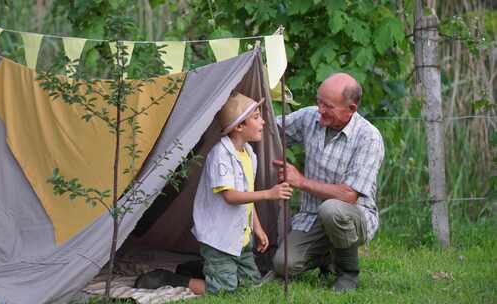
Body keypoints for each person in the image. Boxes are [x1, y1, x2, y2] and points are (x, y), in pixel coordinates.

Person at [135, 92, 293, 295]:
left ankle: (200, 269)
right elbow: (231, 196)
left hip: (240, 238)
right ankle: (172, 278)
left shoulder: (249, 155)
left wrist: (258, 228)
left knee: (250, 286)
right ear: (239, 126)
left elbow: (247, 197)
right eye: (256, 117)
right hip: (219, 238)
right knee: (225, 292)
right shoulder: (220, 155)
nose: (263, 121)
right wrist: (269, 194)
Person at [272, 73, 385, 292]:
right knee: (283, 264)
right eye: (319, 102)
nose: (320, 110)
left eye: (329, 106)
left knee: (332, 209)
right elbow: (270, 132)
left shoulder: (369, 137)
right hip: (311, 217)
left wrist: (300, 181)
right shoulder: (309, 117)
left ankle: (348, 274)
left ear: (351, 109)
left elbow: (348, 195)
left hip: (354, 216)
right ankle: (327, 256)